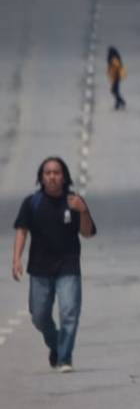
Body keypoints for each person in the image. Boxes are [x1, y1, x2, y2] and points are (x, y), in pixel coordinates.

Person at [12, 157, 97, 372]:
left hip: (68, 266)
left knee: (69, 312)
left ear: (64, 176)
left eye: (56, 172)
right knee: (39, 316)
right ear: (41, 177)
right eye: (47, 172)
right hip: (39, 268)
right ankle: (57, 343)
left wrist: (84, 210)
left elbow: (87, 234)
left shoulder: (73, 201)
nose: (52, 176)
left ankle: (65, 358)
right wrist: (16, 259)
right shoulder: (32, 202)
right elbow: (22, 230)